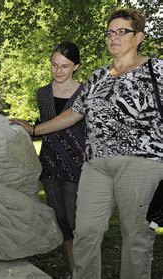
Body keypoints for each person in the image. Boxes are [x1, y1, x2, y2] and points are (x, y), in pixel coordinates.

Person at [10, 8, 162, 279]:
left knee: (136, 237)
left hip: (141, 164)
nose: (113, 37)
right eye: (109, 33)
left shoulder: (157, 69)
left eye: (121, 32)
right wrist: (35, 128)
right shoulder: (98, 76)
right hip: (95, 165)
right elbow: (73, 113)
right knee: (85, 232)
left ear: (138, 37)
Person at [35, 41, 86, 277]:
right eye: (54, 65)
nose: (58, 71)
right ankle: (73, 271)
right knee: (61, 221)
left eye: (64, 66)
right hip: (50, 164)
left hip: (78, 166)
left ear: (75, 66)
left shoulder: (85, 93)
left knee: (77, 222)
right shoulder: (43, 94)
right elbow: (44, 127)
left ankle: (85, 269)